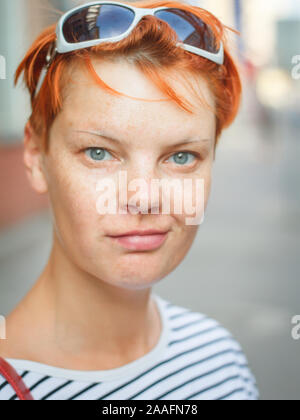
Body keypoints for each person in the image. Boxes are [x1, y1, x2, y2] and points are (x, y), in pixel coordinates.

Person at [0, 0, 259, 400]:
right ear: (36, 156)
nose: (144, 198)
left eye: (181, 156)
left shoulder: (220, 358)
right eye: (99, 152)